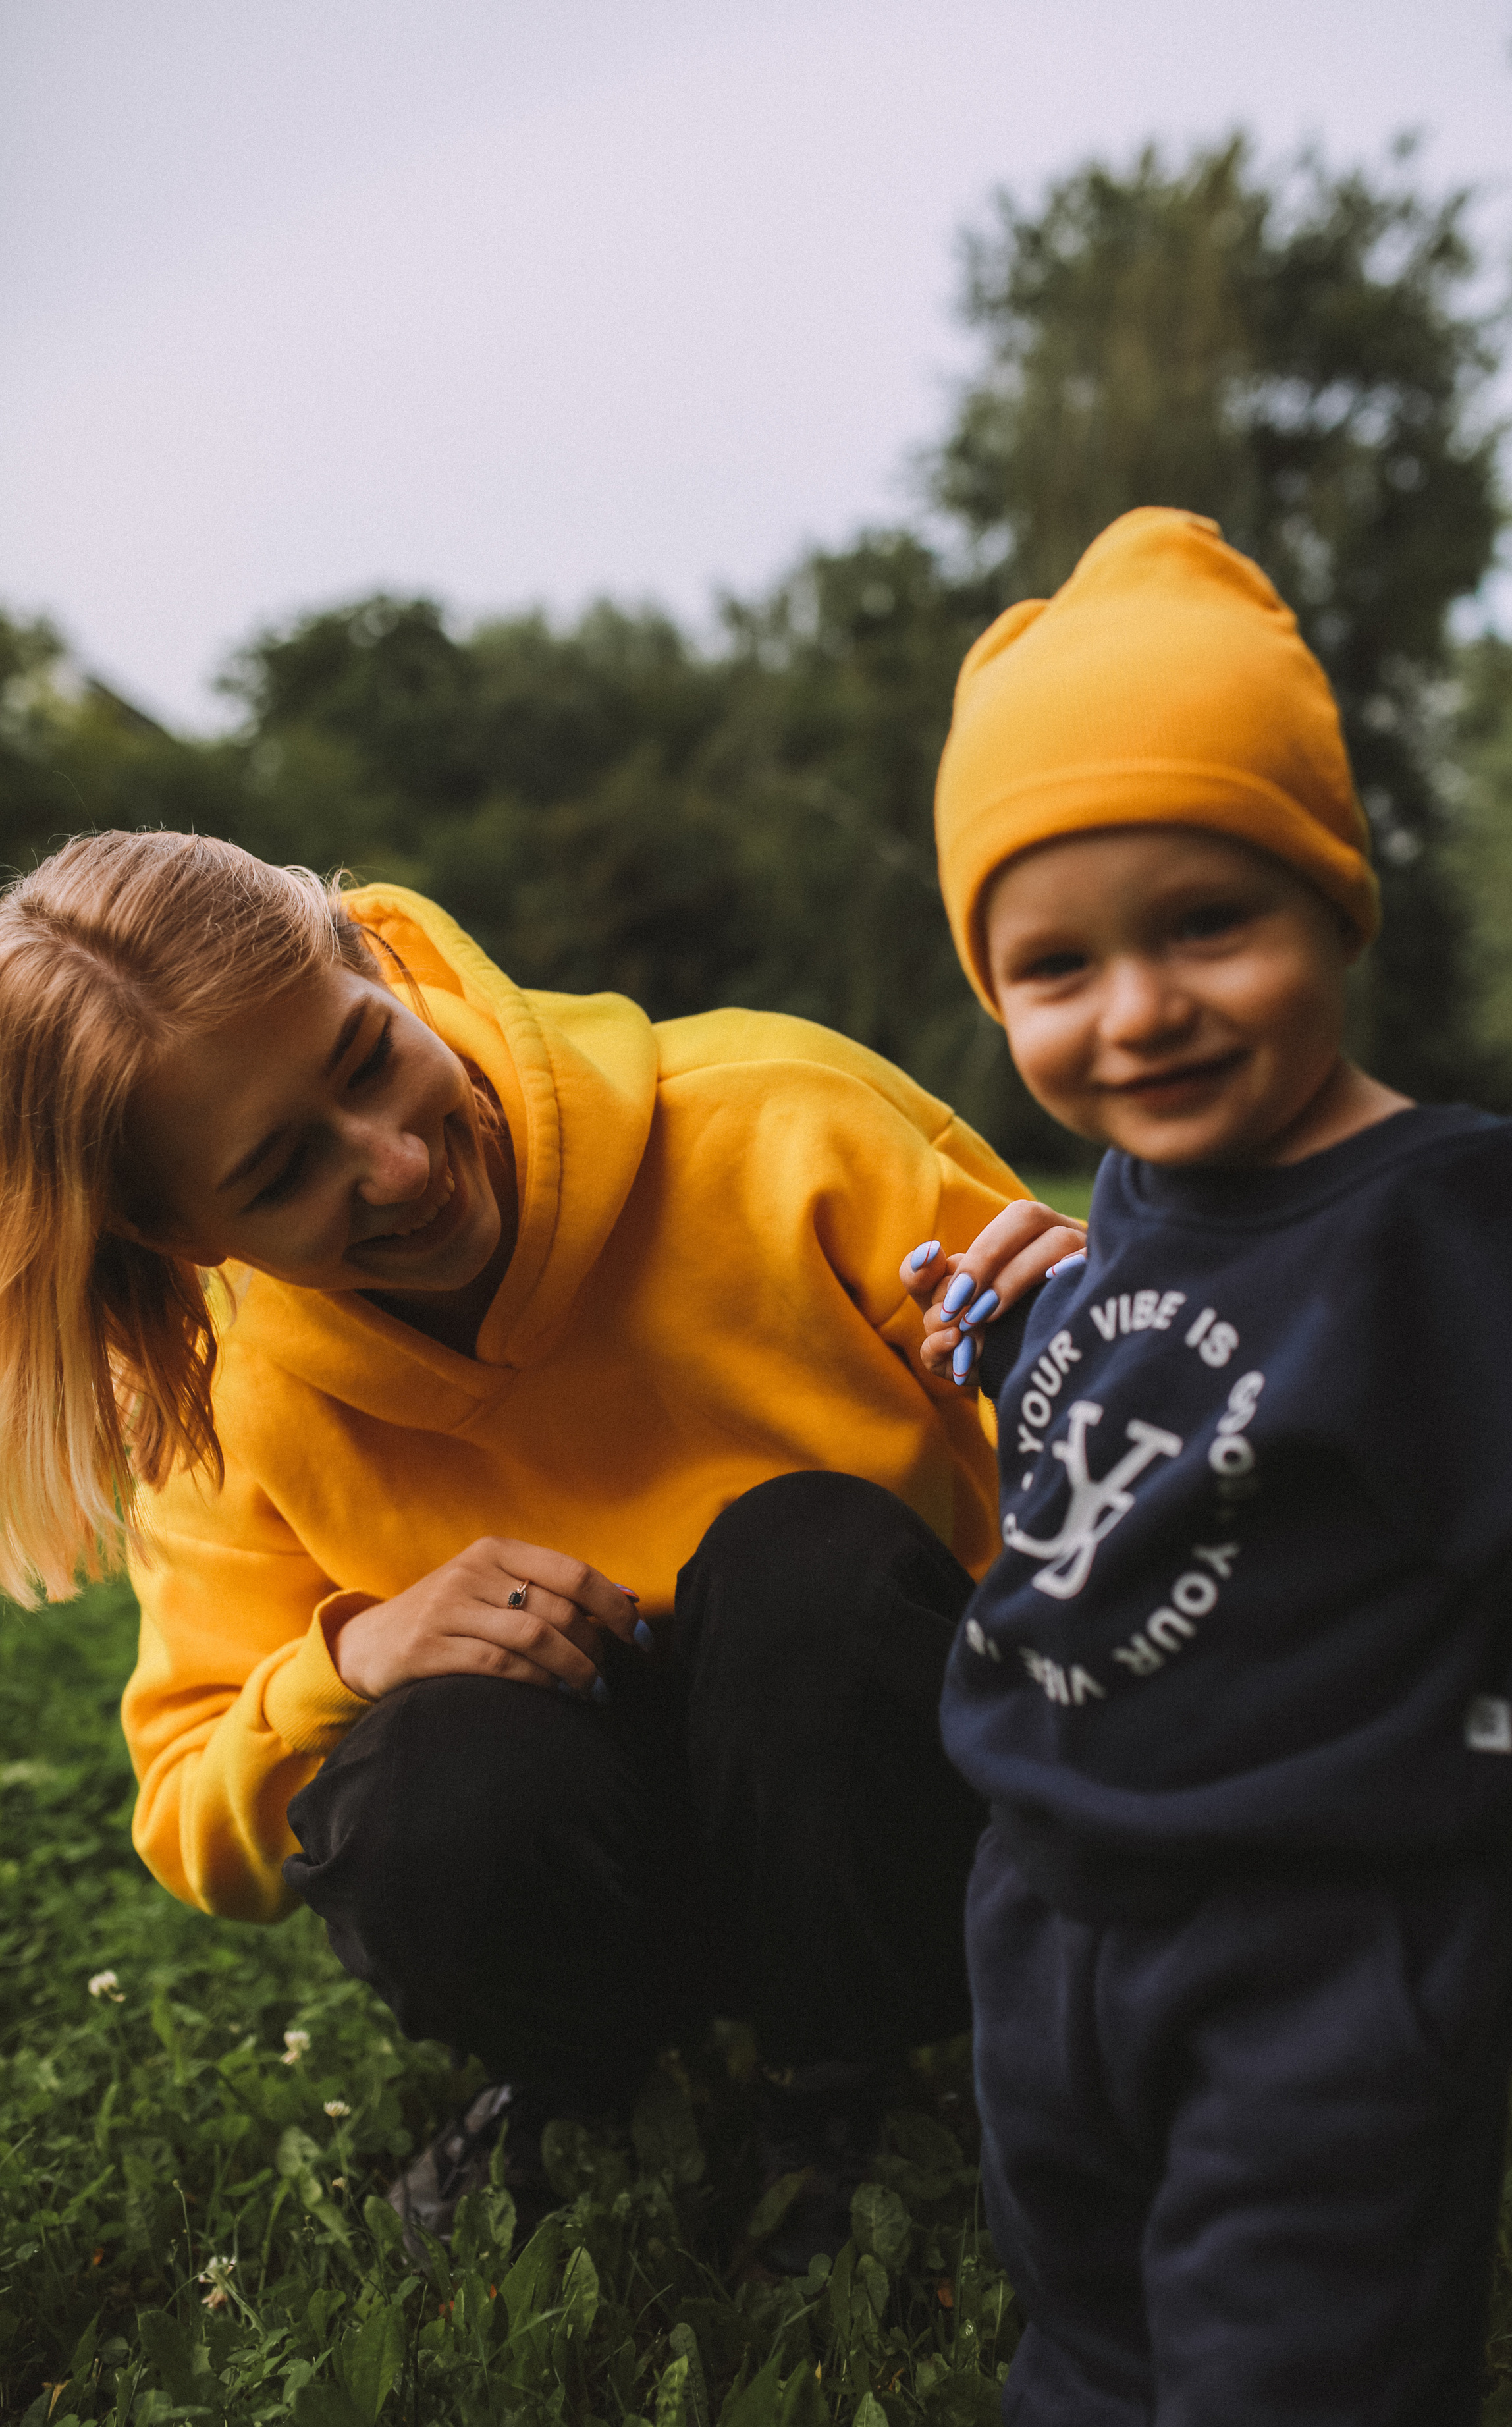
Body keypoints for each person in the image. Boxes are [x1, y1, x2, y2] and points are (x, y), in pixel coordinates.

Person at [892, 508, 1512, 2427]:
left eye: (1207, 927)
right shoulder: (1143, 1198)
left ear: (1336, 901)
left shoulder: (1459, 1217)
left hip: (1325, 1935)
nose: (1137, 1011)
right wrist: (1023, 1348)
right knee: (1094, 2354)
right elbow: (1207, 1435)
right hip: (1055, 1909)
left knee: (1293, 2398)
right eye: (1055, 966)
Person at [0, 829, 1084, 2265]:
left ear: (376, 964)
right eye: (280, 1173)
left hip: (905, 1816)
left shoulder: (780, 1115)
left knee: (802, 1552)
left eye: (367, 1057)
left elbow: (1140, 1505)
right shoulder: (224, 1395)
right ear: (174, 1230)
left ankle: (841, 2094)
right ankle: (578, 2089)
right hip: (610, 1873)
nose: (396, 1163)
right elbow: (200, 1826)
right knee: (426, 1770)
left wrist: (1114, 1343)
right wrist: (349, 1662)